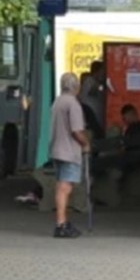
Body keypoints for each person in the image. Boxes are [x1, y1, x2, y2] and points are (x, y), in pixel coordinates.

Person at [49, 72, 90, 238]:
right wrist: (86, 143)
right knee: (65, 188)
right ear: (77, 87)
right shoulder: (73, 104)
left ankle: (62, 221)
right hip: (69, 151)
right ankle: (61, 223)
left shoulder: (57, 102)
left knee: (61, 186)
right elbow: (76, 130)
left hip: (57, 149)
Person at [79, 61, 107, 132]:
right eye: (102, 71)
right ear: (97, 71)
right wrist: (102, 87)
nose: (103, 74)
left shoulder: (97, 82)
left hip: (98, 118)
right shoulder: (89, 81)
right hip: (91, 118)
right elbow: (93, 90)